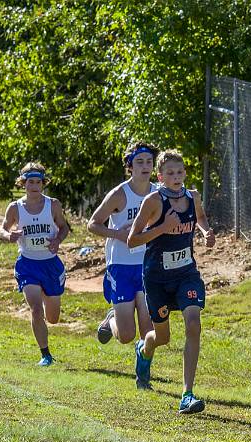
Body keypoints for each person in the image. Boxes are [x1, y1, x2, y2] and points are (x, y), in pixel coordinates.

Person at [127, 150, 216, 411]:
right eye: (170, 173)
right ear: (160, 176)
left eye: (180, 172)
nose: (176, 177)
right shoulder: (153, 201)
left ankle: (187, 394)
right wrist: (162, 228)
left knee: (193, 323)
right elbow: (133, 239)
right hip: (156, 278)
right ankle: (144, 349)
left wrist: (205, 232)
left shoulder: (193, 197)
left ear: (185, 173)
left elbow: (200, 217)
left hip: (186, 274)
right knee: (162, 338)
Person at [87, 142, 158, 387]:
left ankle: (143, 376)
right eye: (140, 162)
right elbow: (93, 223)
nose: (145, 166)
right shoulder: (121, 194)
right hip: (121, 265)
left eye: (149, 162)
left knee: (148, 327)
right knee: (126, 335)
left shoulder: (159, 193)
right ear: (130, 166)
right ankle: (112, 319)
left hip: (148, 265)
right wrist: (120, 234)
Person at [0, 162, 69, 367]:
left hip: (50, 265)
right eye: (30, 182)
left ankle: (48, 305)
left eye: (38, 182)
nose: (34, 186)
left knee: (53, 317)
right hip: (28, 264)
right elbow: (2, 229)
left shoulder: (53, 205)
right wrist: (8, 235)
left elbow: (63, 227)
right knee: (36, 309)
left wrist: (57, 240)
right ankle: (45, 354)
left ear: (43, 184)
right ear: (23, 183)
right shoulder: (15, 208)